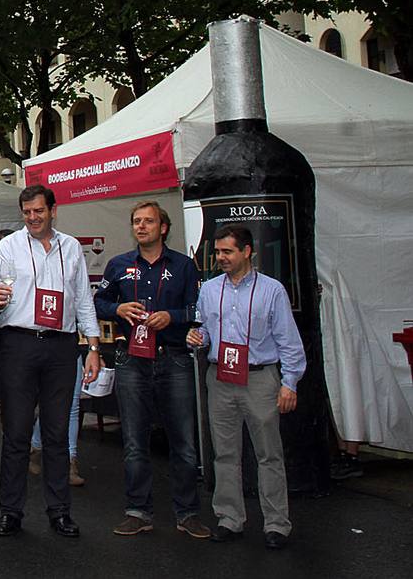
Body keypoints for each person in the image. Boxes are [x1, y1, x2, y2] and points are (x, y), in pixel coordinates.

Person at [0, 184, 101, 538]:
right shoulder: (9, 246)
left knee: (56, 434)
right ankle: (11, 511)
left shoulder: (71, 248)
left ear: (53, 210)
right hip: (19, 344)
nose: (33, 218)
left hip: (61, 347)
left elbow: (83, 298)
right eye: (27, 212)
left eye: (38, 211)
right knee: (17, 432)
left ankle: (59, 511)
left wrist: (93, 346)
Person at [186, 225, 306, 551]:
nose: (221, 258)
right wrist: (198, 337)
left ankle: (277, 524)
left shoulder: (272, 290)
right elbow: (205, 330)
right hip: (220, 377)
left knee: (268, 454)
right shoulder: (209, 290)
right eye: (219, 252)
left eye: (228, 252)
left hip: (260, 379)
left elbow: (289, 342)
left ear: (247, 252)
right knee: (224, 453)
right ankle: (229, 519)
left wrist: (289, 383)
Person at [94, 201, 207, 539]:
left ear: (164, 227)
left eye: (148, 221)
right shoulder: (119, 265)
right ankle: (137, 511)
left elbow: (197, 307)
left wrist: (173, 316)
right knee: (133, 440)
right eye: (136, 222)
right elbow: (98, 302)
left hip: (172, 357)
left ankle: (187, 513)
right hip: (131, 358)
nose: (141, 227)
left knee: (184, 441)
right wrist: (118, 308)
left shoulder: (185, 266)